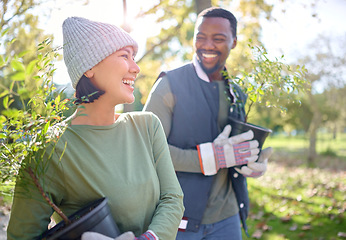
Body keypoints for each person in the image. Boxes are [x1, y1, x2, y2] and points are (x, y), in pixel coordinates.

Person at [7, 17, 184, 240]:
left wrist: (150, 238)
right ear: (89, 67)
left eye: (134, 58)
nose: (136, 68)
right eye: (124, 56)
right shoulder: (47, 151)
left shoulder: (147, 127)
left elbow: (172, 198)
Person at [143, 7, 273, 240]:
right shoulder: (169, 85)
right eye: (200, 37)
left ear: (234, 42)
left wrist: (252, 160)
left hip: (227, 217)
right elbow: (146, 150)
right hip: (178, 216)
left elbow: (234, 148)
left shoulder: (237, 93)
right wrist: (212, 158)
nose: (208, 45)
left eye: (219, 38)